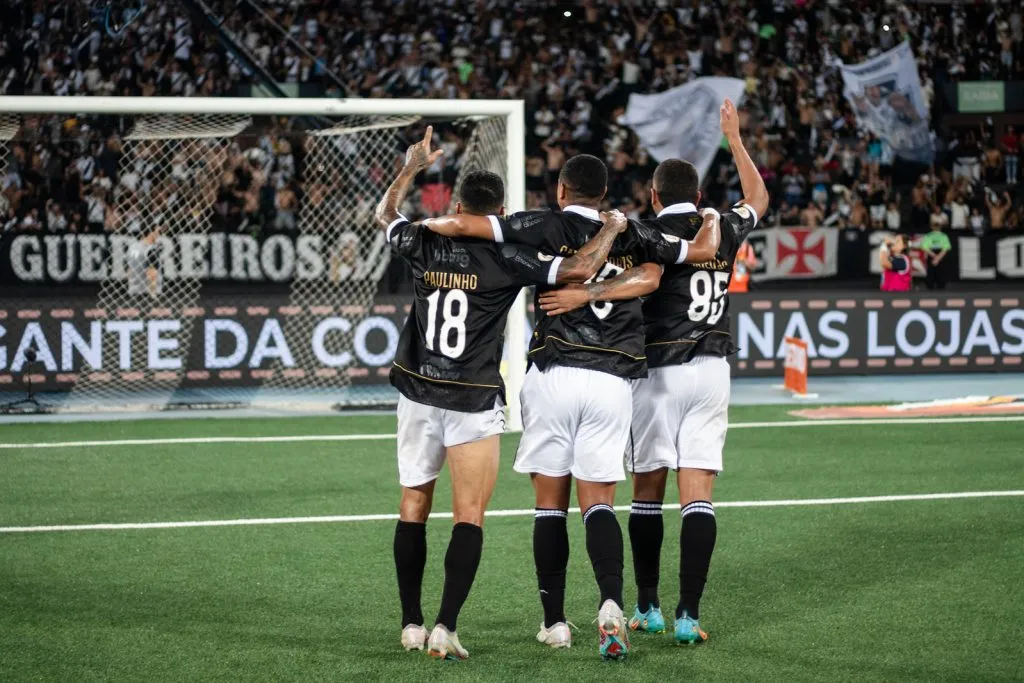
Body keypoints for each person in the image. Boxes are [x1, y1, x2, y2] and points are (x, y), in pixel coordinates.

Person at [420, 153, 722, 660]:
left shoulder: (539, 224)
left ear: (562, 191)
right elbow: (693, 254)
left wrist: (414, 225)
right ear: (603, 194)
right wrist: (711, 216)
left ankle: (555, 621)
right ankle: (610, 603)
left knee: (550, 505)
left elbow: (467, 223)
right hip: (611, 381)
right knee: (598, 503)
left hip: (553, 372)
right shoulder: (631, 232)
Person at [374, 127, 632, 661]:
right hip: (471, 395)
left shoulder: (425, 239)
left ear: (459, 205)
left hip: (419, 391)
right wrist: (612, 227)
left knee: (412, 504)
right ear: (500, 210)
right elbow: (581, 269)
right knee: (468, 514)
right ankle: (445, 626)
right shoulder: (510, 258)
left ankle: (410, 622)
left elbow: (384, 216)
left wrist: (410, 167)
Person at [536, 98, 768, 645]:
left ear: (654, 196)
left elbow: (628, 273)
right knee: (699, 494)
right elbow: (757, 197)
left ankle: (646, 606)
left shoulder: (645, 233)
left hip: (658, 369)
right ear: (701, 195)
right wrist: (734, 139)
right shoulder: (723, 226)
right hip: (712, 368)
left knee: (646, 490)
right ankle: (689, 615)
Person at [918, 222, 952, 291]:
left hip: (934, 254)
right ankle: (937, 286)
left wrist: (935, 257)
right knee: (935, 272)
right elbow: (945, 248)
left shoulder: (931, 235)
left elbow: (924, 247)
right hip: (938, 255)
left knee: (935, 272)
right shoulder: (942, 235)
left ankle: (932, 286)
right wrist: (937, 258)